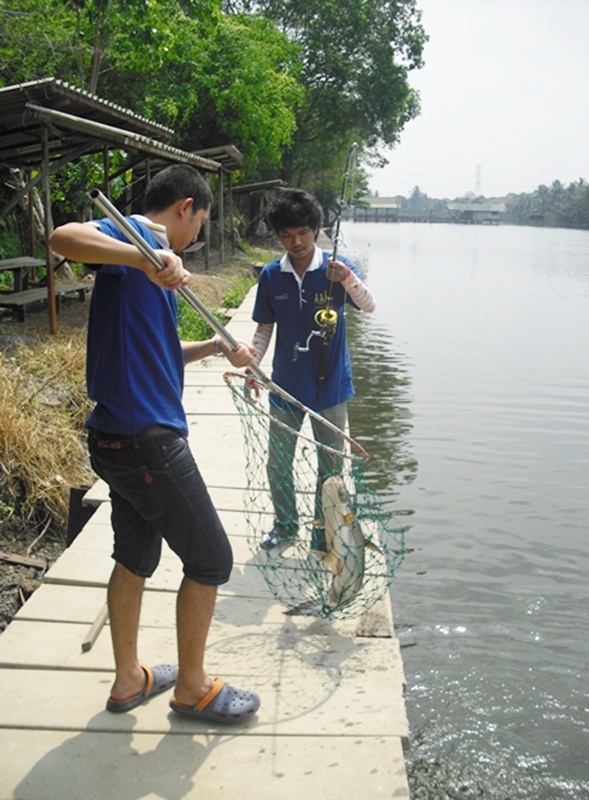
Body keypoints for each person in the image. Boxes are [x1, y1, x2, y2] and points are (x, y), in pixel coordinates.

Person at [49, 164, 260, 723]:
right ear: (185, 207)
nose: (196, 240)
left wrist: (217, 347)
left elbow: (164, 348)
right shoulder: (140, 237)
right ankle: (192, 688)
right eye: (201, 225)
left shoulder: (161, 265)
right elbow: (63, 238)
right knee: (212, 559)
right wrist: (146, 255)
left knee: (135, 557)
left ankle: (128, 680)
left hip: (118, 438)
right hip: (148, 441)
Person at [250, 188, 375, 552]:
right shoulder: (272, 275)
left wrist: (348, 279)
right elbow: (263, 329)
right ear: (278, 237)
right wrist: (252, 366)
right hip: (286, 387)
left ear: (316, 229)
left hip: (331, 389)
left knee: (330, 470)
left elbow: (369, 306)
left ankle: (323, 533)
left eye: (303, 232)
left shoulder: (340, 267)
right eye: (287, 235)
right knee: (277, 463)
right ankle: (285, 525)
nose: (297, 242)